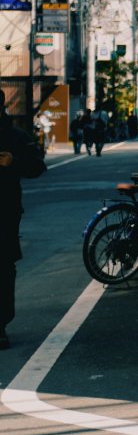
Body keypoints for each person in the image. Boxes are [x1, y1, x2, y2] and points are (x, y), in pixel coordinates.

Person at [0, 109, 47, 350]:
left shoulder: (15, 136)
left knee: (3, 266)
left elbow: (38, 166)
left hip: (5, 211)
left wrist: (13, 162)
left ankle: (0, 325)